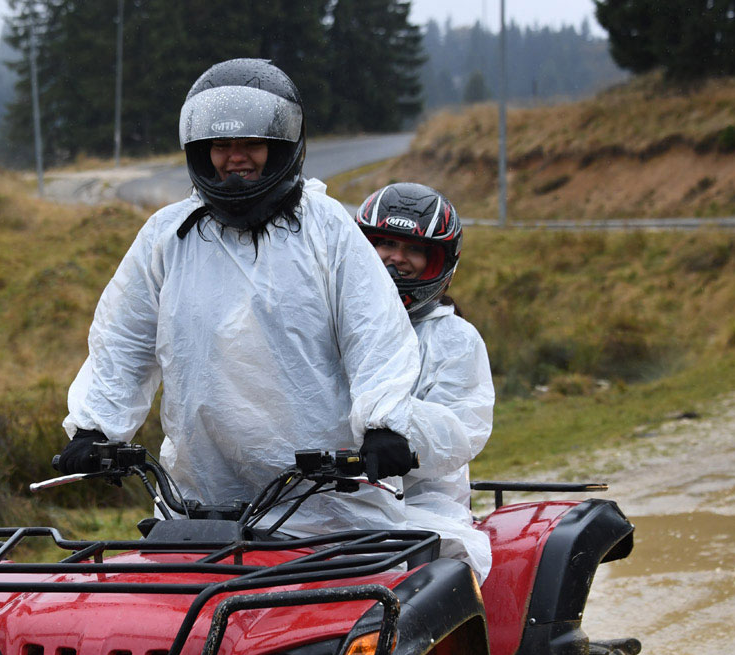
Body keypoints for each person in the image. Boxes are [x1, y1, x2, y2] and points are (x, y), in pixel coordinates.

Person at [58, 59, 499, 576]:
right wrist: (95, 428)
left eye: (251, 144)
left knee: (358, 634)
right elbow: (124, 338)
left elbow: (373, 333)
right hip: (201, 504)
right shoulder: (166, 235)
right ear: (201, 152)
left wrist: (387, 425)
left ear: (283, 146)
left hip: (327, 503)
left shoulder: (328, 228)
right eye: (220, 147)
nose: (234, 159)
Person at [356, 183, 495, 575]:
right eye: (384, 243)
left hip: (419, 513)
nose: (396, 259)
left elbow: (459, 432)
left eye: (414, 250)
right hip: (319, 504)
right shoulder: (330, 322)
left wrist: (397, 432)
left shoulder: (454, 339)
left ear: (441, 263)